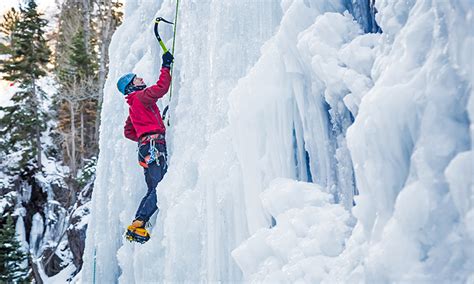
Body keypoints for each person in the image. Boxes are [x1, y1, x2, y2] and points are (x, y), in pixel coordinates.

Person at [117, 51, 174, 243]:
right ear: (132, 85)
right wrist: (166, 66)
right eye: (137, 78)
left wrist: (144, 132)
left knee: (153, 188)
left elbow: (128, 131)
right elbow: (161, 88)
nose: (141, 78)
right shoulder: (140, 97)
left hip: (145, 148)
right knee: (160, 187)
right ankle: (138, 223)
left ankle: (138, 225)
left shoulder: (133, 106)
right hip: (153, 146)